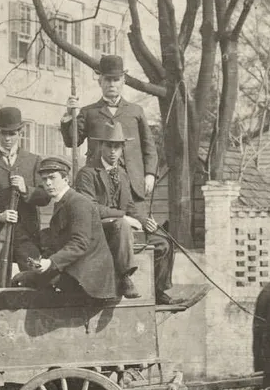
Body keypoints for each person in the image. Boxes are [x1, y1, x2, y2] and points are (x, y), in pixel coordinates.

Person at [74, 122, 179, 303]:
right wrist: (123, 217)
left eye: (117, 146)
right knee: (122, 224)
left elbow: (130, 206)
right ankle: (124, 278)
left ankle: (158, 289)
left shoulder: (122, 174)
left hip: (121, 230)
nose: (113, 151)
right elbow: (90, 208)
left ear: (122, 148)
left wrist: (144, 221)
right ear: (101, 146)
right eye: (109, 146)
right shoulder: (87, 173)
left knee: (163, 241)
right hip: (97, 230)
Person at [12, 156, 117, 300]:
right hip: (77, 270)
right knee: (23, 277)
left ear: (66, 180)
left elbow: (80, 244)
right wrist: (42, 261)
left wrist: (51, 262)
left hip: (89, 278)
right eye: (44, 179)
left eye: (52, 178)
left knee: (29, 283)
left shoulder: (78, 203)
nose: (48, 183)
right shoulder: (63, 203)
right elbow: (58, 243)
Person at [61, 54, 158, 201]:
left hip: (133, 185)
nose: (112, 84)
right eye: (107, 79)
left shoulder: (136, 111)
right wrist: (69, 116)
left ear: (123, 81)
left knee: (137, 222)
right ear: (100, 81)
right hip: (99, 185)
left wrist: (150, 174)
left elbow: (149, 147)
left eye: (116, 79)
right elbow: (72, 141)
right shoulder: (88, 112)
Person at [0, 107, 50, 284]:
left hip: (27, 234)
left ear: (20, 133)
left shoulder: (33, 161)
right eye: (3, 133)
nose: (8, 138)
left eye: (12, 133)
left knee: (35, 279)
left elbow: (45, 197)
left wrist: (25, 189)